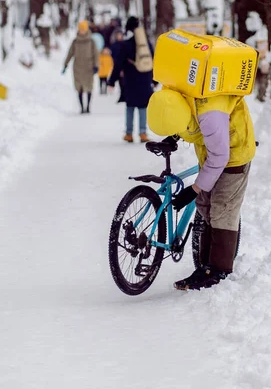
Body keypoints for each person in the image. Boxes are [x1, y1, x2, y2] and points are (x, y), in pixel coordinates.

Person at [147, 88, 256, 291]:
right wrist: (175, 136)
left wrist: (194, 189)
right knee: (205, 206)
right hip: (211, 152)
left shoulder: (210, 113)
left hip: (233, 155)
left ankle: (217, 272)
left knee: (221, 210)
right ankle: (204, 267)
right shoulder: (177, 94)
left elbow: (220, 157)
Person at [107, 16, 154, 143]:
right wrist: (154, 80)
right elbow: (152, 61)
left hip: (130, 80)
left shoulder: (125, 45)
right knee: (143, 106)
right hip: (145, 79)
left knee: (130, 106)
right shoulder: (146, 44)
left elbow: (118, 64)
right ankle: (143, 133)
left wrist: (111, 81)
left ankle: (129, 133)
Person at [62, 20, 99, 114]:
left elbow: (96, 54)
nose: (82, 31)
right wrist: (65, 64)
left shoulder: (91, 41)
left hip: (88, 68)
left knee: (89, 87)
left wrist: (96, 66)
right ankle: (82, 108)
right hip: (78, 68)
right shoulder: (75, 41)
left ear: (86, 30)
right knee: (79, 88)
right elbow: (70, 53)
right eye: (80, 29)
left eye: (83, 29)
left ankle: (88, 107)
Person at [110, 30, 125, 103]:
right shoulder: (114, 45)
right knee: (120, 80)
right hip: (116, 64)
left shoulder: (124, 44)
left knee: (123, 81)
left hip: (123, 64)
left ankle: (124, 95)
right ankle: (122, 95)